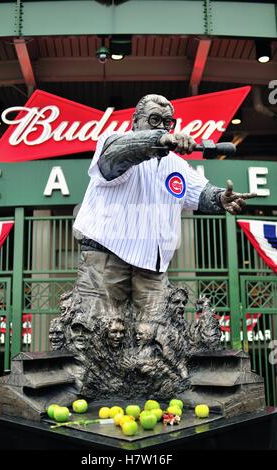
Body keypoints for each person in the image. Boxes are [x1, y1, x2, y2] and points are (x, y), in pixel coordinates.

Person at [73, 94, 256, 315]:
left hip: (153, 264)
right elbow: (115, 156)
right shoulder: (113, 140)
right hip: (105, 254)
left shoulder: (176, 164)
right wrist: (156, 139)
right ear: (135, 121)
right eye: (154, 119)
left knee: (157, 332)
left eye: (167, 122)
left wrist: (220, 198)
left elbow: (200, 192)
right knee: (98, 327)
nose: (162, 126)